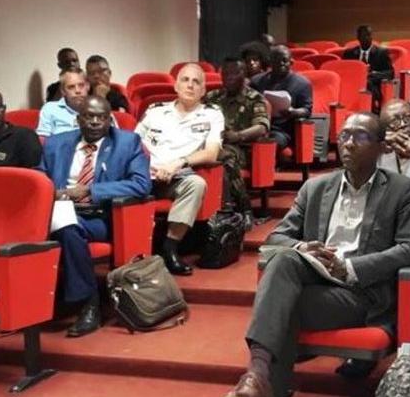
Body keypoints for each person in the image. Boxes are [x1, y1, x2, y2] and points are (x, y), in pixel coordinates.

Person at [217, 112, 410, 397]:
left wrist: (350, 267)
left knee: (282, 305)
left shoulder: (401, 190)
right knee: (284, 260)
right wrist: (304, 248)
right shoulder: (315, 188)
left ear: (381, 147)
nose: (348, 144)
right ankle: (259, 381)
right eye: (344, 135)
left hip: (359, 294)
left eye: (360, 137)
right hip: (315, 280)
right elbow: (276, 237)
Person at [40, 95, 151, 337]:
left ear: (109, 120)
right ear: (78, 119)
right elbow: (38, 179)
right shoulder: (55, 143)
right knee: (60, 224)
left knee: (67, 229)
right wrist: (51, 193)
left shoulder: (127, 142)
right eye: (89, 116)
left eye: (101, 117)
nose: (95, 122)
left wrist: (90, 190)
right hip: (55, 210)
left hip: (100, 216)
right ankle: (28, 304)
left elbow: (141, 184)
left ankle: (89, 304)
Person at [135, 63, 223, 276]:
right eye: (185, 80)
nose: (190, 85)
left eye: (196, 82)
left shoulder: (211, 114)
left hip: (178, 176)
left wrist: (178, 163)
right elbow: (132, 143)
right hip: (144, 174)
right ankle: (130, 252)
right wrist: (146, 167)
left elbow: (211, 153)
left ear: (203, 90)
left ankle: (170, 248)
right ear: (175, 85)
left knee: (196, 184)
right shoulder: (155, 111)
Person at [203, 57, 269, 217]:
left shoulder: (254, 98)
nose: (229, 77)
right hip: (210, 144)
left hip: (241, 148)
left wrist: (238, 136)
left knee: (224, 156)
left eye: (234, 73)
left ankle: (239, 206)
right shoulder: (212, 97)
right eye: (226, 74)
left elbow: (262, 127)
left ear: (244, 74)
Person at [249, 45, 314, 152]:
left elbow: (307, 110)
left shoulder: (302, 83)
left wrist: (293, 112)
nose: (281, 63)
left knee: (267, 145)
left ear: (291, 62)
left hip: (281, 129)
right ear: (270, 62)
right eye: (276, 60)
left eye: (284, 60)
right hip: (256, 126)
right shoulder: (256, 81)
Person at [341, 25, 395, 110]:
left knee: (367, 83)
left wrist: (373, 74)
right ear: (358, 38)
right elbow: (344, 72)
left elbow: (390, 73)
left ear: (371, 36)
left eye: (368, 35)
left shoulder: (381, 53)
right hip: (353, 85)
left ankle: (370, 110)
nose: (366, 38)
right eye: (362, 36)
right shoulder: (349, 53)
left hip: (373, 85)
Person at [37, 67, 90, 137]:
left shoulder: (98, 108)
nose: (77, 91)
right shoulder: (50, 109)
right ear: (63, 91)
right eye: (71, 87)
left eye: (81, 85)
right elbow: (42, 139)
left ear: (88, 86)